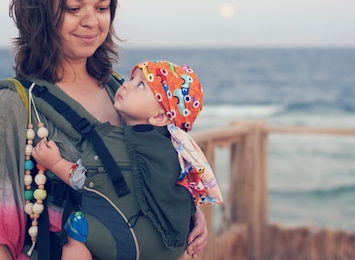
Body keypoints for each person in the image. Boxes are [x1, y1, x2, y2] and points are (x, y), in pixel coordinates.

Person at [0, 0, 209, 260]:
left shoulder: (120, 92)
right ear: (41, 14)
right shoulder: (11, 104)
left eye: (101, 8)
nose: (91, 21)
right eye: (73, 8)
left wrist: (188, 215)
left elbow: (152, 175)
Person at [33, 59, 224, 260]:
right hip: (173, 248)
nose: (126, 84)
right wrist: (196, 215)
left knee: (76, 228)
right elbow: (182, 195)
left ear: (159, 117)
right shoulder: (178, 151)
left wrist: (54, 162)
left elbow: (82, 178)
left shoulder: (113, 140)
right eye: (132, 78)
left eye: (140, 85)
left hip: (127, 244)